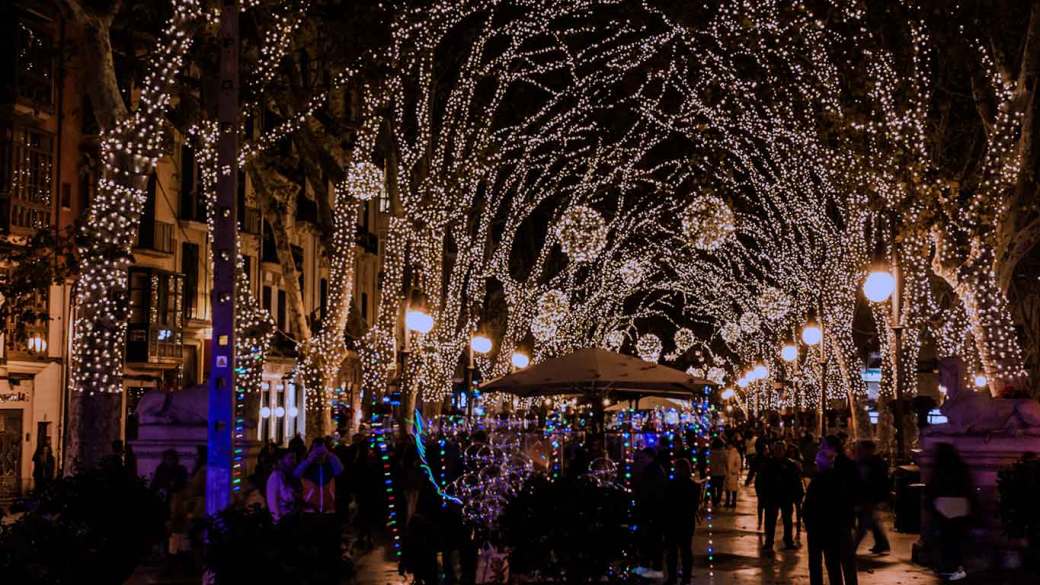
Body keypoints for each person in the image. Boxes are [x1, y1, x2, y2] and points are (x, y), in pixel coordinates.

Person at [803, 439, 857, 585]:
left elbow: (809, 507)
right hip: (836, 526)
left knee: (832, 563)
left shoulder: (821, 481)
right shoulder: (839, 476)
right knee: (840, 563)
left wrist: (809, 524)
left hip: (827, 527)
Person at [927, 443, 973, 581]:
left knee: (945, 539)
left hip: (943, 506)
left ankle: (946, 567)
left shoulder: (939, 468)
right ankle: (956, 566)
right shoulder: (960, 467)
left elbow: (933, 488)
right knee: (956, 539)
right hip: (960, 505)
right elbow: (967, 487)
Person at [663, 458, 701, 585]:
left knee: (672, 552)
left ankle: (672, 578)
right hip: (687, 522)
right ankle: (686, 578)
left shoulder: (670, 485)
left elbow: (666, 504)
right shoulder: (694, 487)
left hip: (672, 522)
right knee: (686, 551)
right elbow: (694, 506)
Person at [759, 442, 801, 553]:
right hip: (772, 497)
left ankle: (787, 541)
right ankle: (770, 542)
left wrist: (796, 495)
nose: (778, 452)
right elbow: (762, 481)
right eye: (777, 449)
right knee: (771, 520)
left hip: (785, 497)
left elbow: (795, 481)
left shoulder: (789, 465)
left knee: (786, 520)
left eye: (780, 449)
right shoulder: (769, 464)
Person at [854, 440, 890, 555]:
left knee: (864, 524)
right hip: (866, 496)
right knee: (872, 521)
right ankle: (882, 544)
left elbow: (879, 482)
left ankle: (852, 548)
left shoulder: (873, 463)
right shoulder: (863, 462)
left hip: (869, 497)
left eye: (860, 448)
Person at [294, 437, 344, 514]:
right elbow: (296, 474)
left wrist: (329, 455)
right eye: (316, 449)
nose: (319, 454)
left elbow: (339, 471)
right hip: (309, 506)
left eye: (321, 450)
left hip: (328, 506)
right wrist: (310, 459)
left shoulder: (330, 461)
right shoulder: (307, 461)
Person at [266, 448, 299, 522]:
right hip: (283, 518)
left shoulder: (287, 475)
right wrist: (277, 519)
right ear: (280, 461)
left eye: (294, 458)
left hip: (290, 516)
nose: (294, 461)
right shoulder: (275, 476)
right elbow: (272, 500)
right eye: (290, 458)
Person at [708, 438, 727, 508]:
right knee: (720, 488)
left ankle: (714, 501)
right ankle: (718, 501)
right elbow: (725, 461)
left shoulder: (711, 452)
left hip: (713, 472)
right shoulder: (723, 452)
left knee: (712, 488)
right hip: (721, 472)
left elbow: (709, 462)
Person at [724, 440, 742, 508]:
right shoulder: (726, 453)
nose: (728, 446)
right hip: (727, 473)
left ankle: (733, 502)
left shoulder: (736, 454)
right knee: (727, 489)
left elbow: (738, 464)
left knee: (734, 488)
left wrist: (734, 470)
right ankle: (727, 501)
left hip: (732, 473)